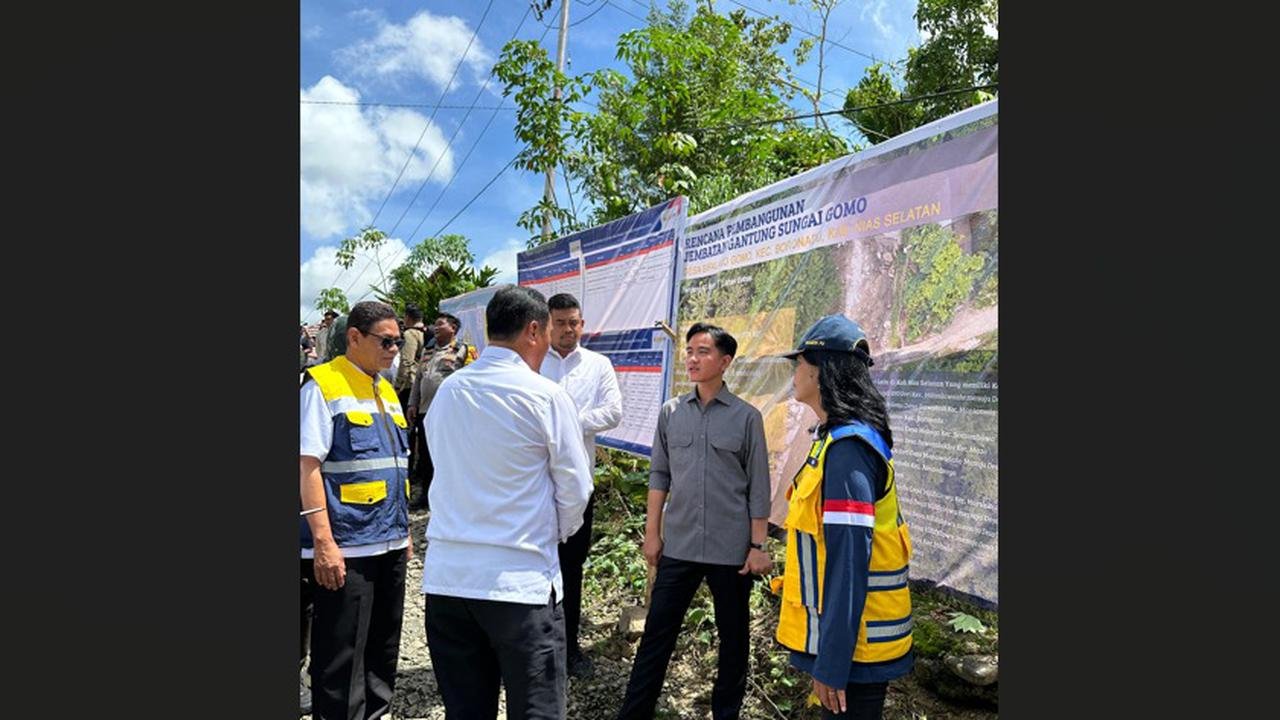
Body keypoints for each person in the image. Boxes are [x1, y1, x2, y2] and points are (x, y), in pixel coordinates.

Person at [421, 285, 593, 720]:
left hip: (448, 582)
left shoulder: (449, 391)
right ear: (534, 330)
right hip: (520, 586)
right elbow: (575, 488)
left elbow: (442, 466)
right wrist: (552, 533)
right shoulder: (545, 396)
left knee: (465, 710)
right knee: (537, 710)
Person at [617, 323, 772, 720]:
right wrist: (652, 534)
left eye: (703, 351)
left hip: (730, 549)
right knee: (656, 636)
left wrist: (758, 547)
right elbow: (659, 476)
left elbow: (758, 487)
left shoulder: (746, 418)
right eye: (689, 351)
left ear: (725, 361)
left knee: (734, 640)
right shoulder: (671, 413)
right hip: (680, 544)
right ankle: (635, 713)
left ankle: (726, 713)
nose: (692, 359)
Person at [774, 315, 914, 719]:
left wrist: (833, 663)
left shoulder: (849, 449)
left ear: (820, 371)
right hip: (852, 642)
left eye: (798, 362)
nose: (794, 371)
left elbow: (849, 561)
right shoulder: (832, 440)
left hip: (858, 652)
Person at [300, 300, 413, 720]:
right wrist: (323, 541)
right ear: (353, 338)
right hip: (347, 545)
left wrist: (405, 536)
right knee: (341, 652)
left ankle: (376, 714)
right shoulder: (323, 386)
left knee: (383, 645)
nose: (394, 350)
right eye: (386, 341)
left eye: (398, 342)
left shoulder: (384, 389)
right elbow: (307, 465)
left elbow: (395, 465)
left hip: (390, 540)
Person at [538, 292, 623, 678]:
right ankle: (532, 648)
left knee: (573, 569)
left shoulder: (597, 364)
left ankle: (570, 649)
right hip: (535, 486)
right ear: (545, 323)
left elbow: (613, 411)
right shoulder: (533, 363)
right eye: (561, 322)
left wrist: (567, 422)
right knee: (534, 566)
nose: (569, 330)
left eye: (574, 322)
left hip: (577, 488)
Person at [405, 312, 476, 510]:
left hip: (450, 412)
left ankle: (453, 496)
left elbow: (470, 380)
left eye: (440, 324)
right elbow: (419, 378)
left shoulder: (463, 349)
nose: (435, 328)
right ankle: (426, 497)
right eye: (434, 324)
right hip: (425, 411)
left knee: (448, 454)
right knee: (426, 456)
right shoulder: (427, 351)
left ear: (453, 328)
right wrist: (412, 404)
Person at [395, 304, 427, 408]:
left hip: (410, 384)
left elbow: (406, 361)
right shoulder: (425, 332)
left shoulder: (410, 334)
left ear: (407, 317)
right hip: (424, 381)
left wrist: (398, 386)